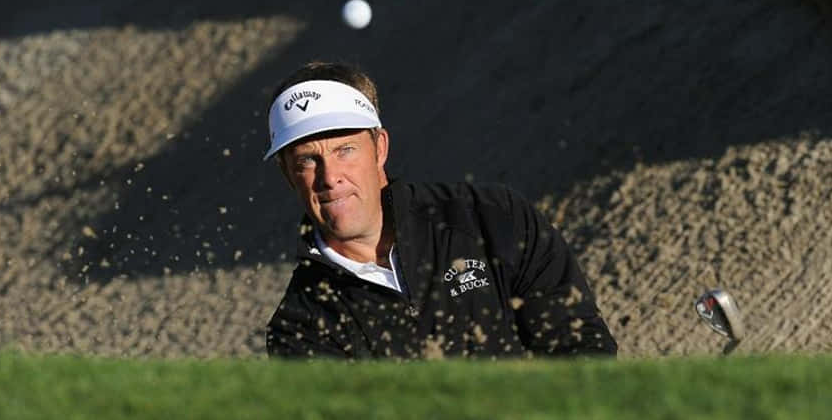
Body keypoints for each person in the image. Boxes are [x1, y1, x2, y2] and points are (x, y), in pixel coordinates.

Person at [264, 61, 617, 359]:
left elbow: (581, 350)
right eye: (308, 160)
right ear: (287, 176)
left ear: (379, 148)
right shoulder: (301, 328)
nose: (330, 178)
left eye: (345, 150)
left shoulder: (492, 219)